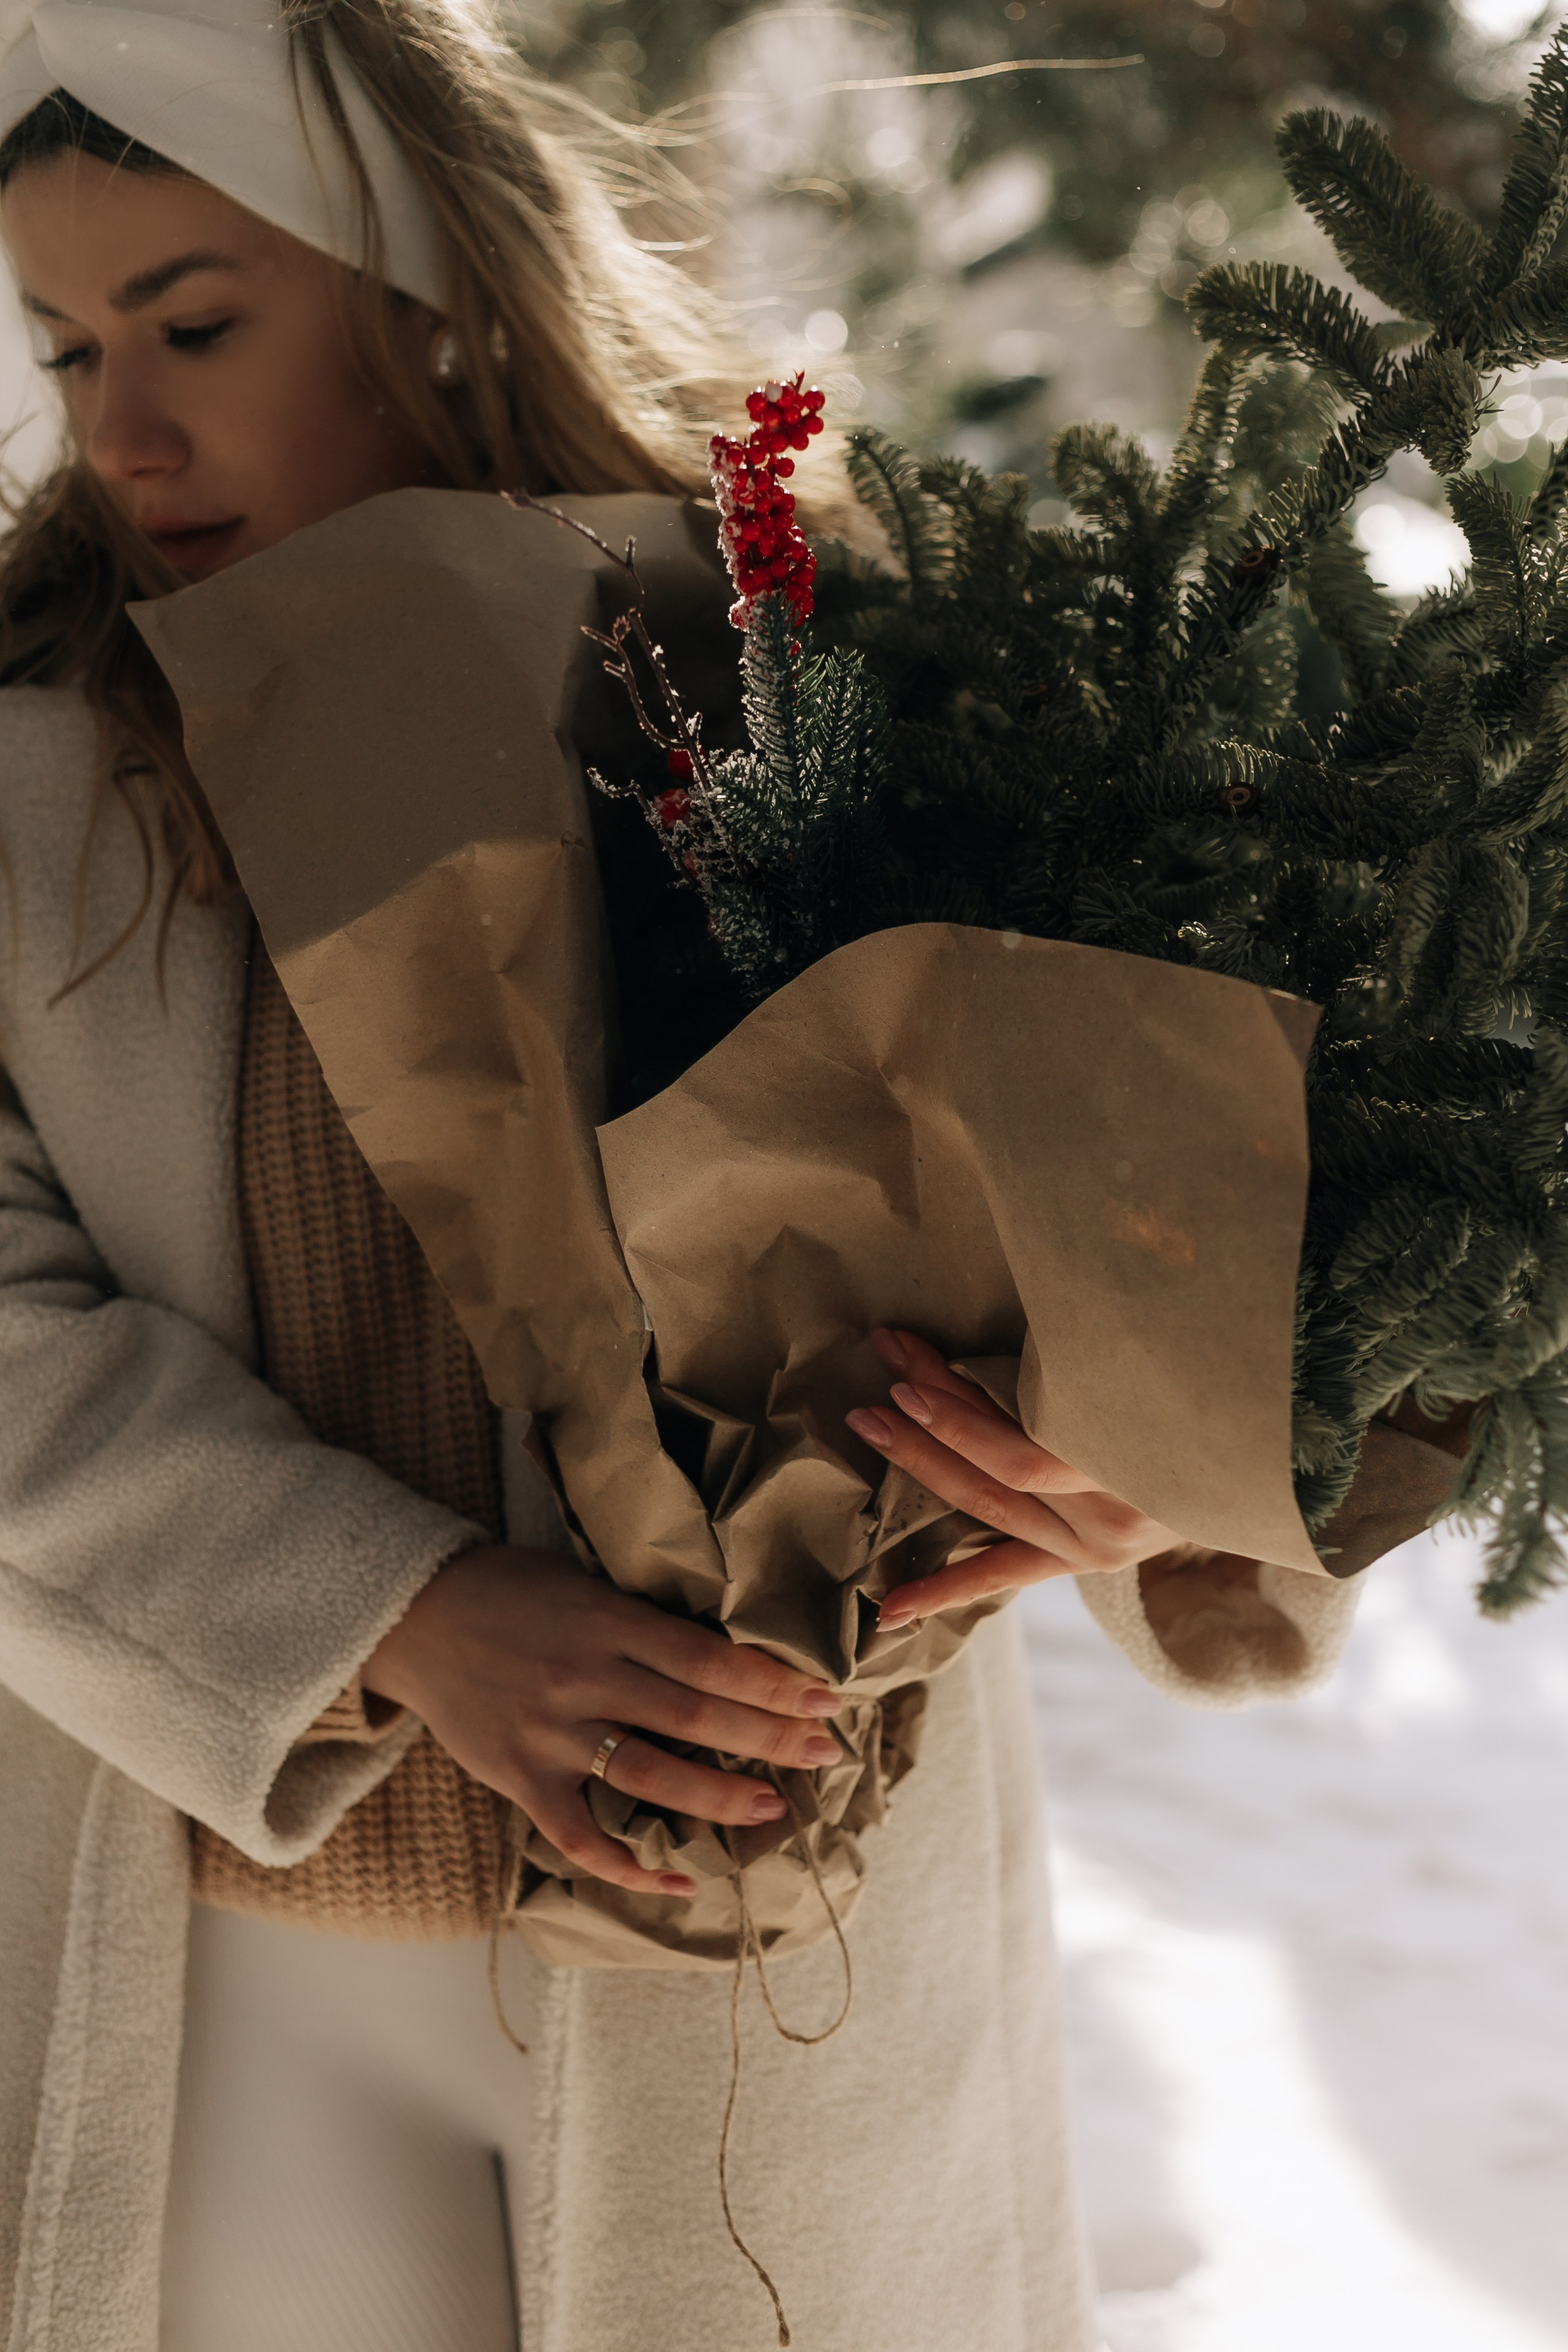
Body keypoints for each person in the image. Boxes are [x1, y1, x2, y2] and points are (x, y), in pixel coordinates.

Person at [0, 6, 1364, 2349]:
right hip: (232, 2002)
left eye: (194, 326)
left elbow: (1195, 1224)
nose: (121, 428)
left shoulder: (800, 683)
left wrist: (1152, 1460)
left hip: (777, 2027)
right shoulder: (32, 772)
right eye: (65, 346)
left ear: (429, 287)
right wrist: (400, 1613)